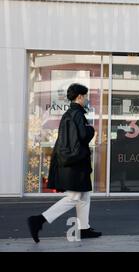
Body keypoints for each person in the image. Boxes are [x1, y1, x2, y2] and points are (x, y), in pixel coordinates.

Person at [27, 83, 102, 243]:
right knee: (75, 196)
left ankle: (84, 228)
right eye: (86, 96)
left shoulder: (70, 113)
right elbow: (83, 136)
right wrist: (91, 130)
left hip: (72, 161)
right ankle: (39, 220)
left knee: (84, 195)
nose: (87, 99)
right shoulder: (77, 114)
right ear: (79, 97)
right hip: (75, 163)